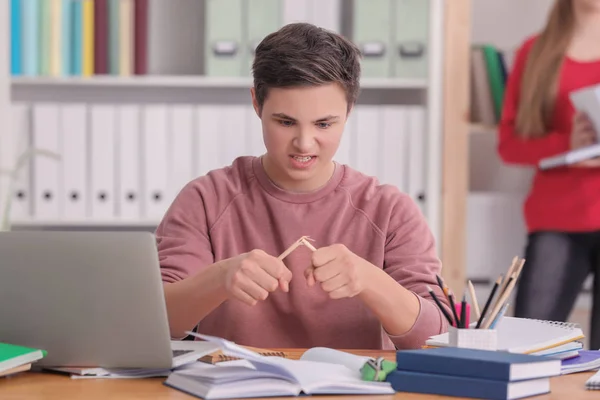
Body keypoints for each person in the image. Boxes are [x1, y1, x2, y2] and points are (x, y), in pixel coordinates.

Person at [156, 22, 450, 350]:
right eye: (285, 122)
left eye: (324, 124)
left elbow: (435, 340)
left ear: (349, 111)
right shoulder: (205, 199)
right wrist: (219, 280)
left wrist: (370, 281)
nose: (304, 144)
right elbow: (158, 323)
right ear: (257, 104)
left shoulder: (390, 211)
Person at [497, 0, 600, 349]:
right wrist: (566, 146)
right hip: (558, 219)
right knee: (529, 347)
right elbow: (509, 144)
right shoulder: (534, 52)